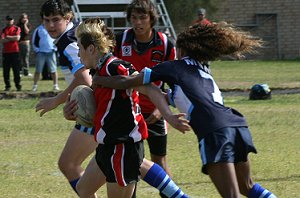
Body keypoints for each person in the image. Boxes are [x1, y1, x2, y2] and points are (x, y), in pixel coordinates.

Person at [92, 23, 277, 198]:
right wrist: (165, 112)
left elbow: (127, 81)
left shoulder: (172, 67)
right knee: (247, 187)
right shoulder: (201, 70)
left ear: (180, 50)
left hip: (215, 132)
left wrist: (100, 80)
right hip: (238, 124)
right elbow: (170, 97)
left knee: (232, 195)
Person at [36, 1, 189, 197]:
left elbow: (149, 88)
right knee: (83, 189)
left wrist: (169, 116)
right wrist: (74, 112)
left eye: (80, 48)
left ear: (91, 49)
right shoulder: (97, 69)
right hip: (106, 143)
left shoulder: (115, 67)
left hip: (122, 146)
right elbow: (98, 104)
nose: (78, 53)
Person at [113, 2, 176, 195]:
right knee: (130, 161)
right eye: (134, 18)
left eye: (142, 18)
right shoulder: (120, 40)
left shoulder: (165, 44)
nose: (138, 22)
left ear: (151, 18)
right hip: (128, 110)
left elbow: (174, 80)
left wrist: (162, 107)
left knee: (159, 160)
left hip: (155, 112)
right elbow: (112, 73)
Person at [35, 0, 94, 194]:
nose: (51, 25)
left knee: (69, 164)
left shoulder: (69, 41)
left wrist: (56, 100)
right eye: (46, 21)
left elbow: (85, 80)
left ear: (68, 18)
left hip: (101, 108)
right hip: (108, 104)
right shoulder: (75, 33)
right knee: (126, 161)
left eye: (56, 20)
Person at [32, 23, 59, 92]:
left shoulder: (53, 28)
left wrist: (55, 48)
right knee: (38, 70)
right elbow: (34, 41)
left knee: (53, 70)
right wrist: (37, 50)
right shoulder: (38, 29)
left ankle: (55, 85)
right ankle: (35, 86)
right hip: (41, 52)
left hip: (51, 52)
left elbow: (57, 38)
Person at [1, 15, 22, 91]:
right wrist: (12, 38)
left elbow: (17, 38)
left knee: (16, 70)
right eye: (8, 20)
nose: (9, 21)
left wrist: (7, 37)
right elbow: (2, 40)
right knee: (6, 70)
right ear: (6, 21)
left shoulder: (16, 28)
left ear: (13, 20)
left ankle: (18, 85)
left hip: (15, 51)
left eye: (11, 20)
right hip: (6, 52)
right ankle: (7, 86)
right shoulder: (4, 30)